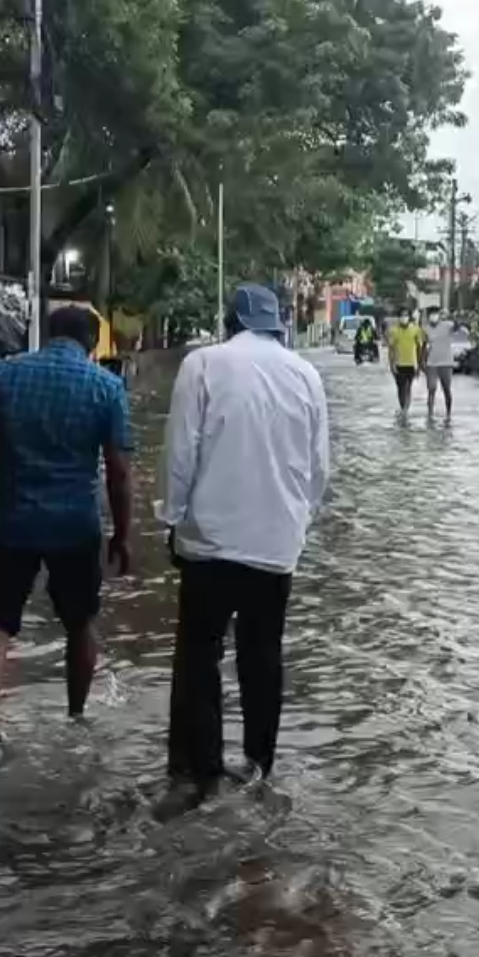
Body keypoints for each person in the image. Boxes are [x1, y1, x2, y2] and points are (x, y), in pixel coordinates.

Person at [157, 283, 330, 815]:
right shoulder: (306, 375)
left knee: (198, 655)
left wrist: (172, 517)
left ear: (229, 320)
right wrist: (296, 522)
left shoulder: (202, 364)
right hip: (275, 545)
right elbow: (318, 469)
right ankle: (260, 765)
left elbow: (180, 453)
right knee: (263, 656)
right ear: (277, 324)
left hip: (209, 542)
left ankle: (202, 772)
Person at [0, 304, 132, 751]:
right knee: (80, 622)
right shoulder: (107, 386)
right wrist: (123, 533)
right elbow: (118, 470)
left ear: (47, 333)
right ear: (93, 342)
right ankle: (76, 716)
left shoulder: (2, 375)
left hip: (11, 519)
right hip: (75, 523)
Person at [421, 307, 456, 420]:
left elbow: (458, 327)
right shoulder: (426, 329)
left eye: (435, 314)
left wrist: (452, 316)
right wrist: (422, 361)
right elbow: (423, 346)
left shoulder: (447, 325)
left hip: (446, 363)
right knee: (431, 388)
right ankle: (430, 415)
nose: (433, 316)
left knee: (446, 389)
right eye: (431, 314)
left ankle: (448, 414)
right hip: (431, 363)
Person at [387, 309, 423, 418]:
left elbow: (419, 348)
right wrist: (391, 364)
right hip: (398, 364)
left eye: (406, 315)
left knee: (408, 387)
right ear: (399, 318)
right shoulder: (394, 331)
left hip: (411, 364)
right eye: (402, 316)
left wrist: (419, 365)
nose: (404, 318)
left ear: (409, 317)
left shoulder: (415, 330)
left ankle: (405, 410)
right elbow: (391, 349)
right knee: (400, 388)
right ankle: (403, 407)